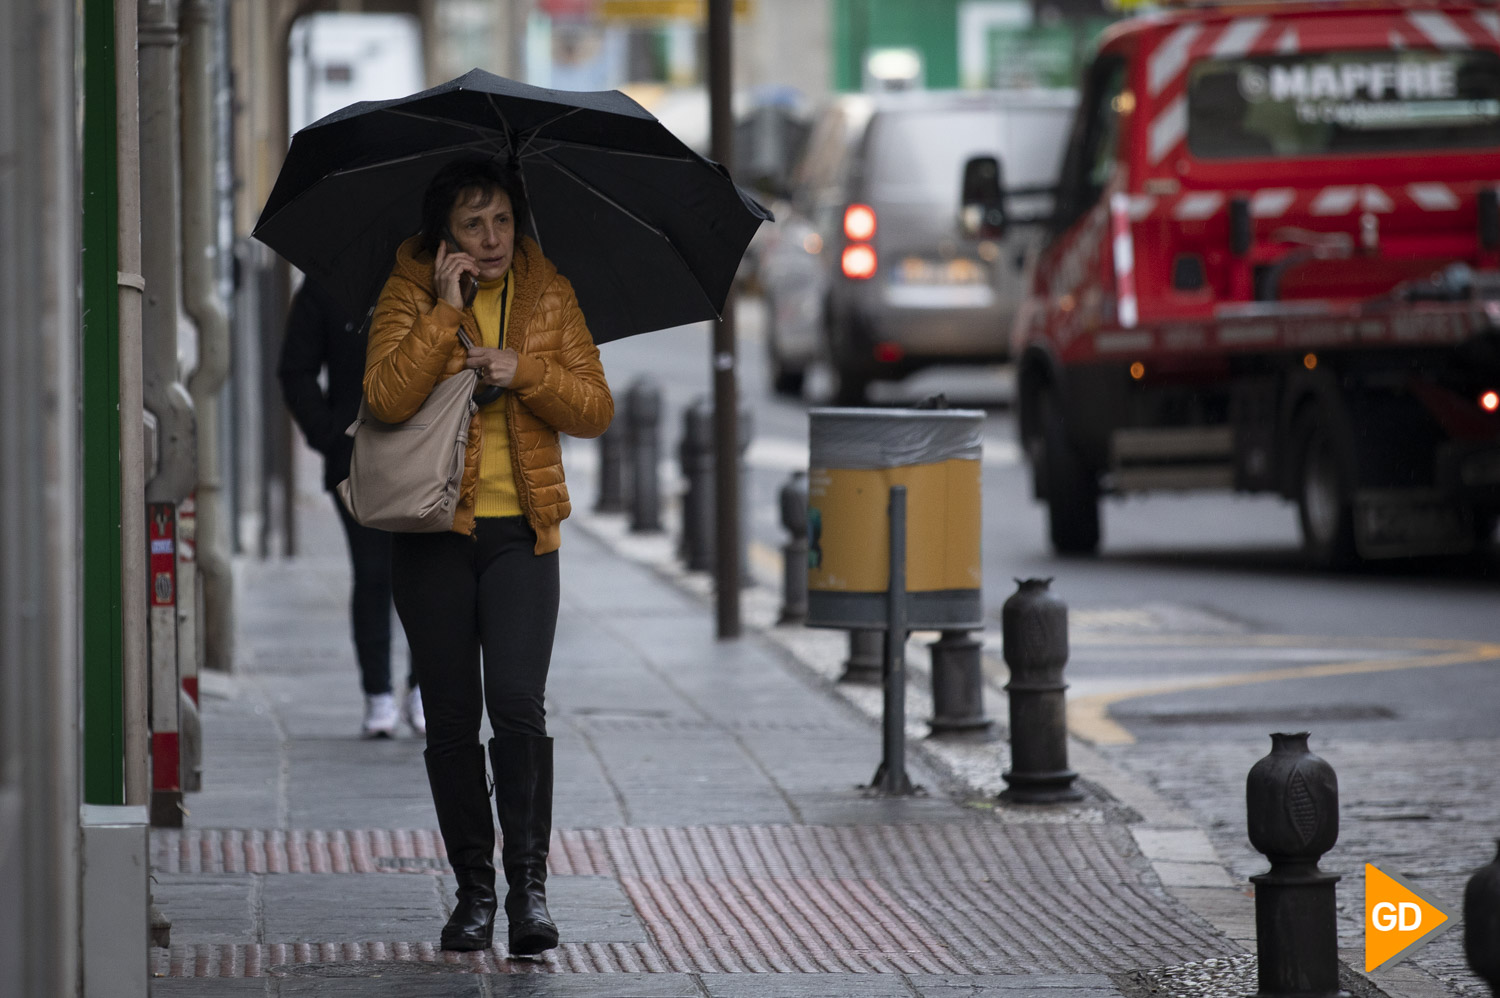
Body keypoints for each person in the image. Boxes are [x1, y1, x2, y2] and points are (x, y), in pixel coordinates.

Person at [363, 157, 613, 956]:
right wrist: (443, 314)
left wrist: (524, 370)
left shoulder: (550, 294)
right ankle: (473, 892)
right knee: (450, 717)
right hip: (435, 536)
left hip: (523, 535)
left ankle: (528, 891)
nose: (492, 237)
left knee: (516, 702)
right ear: (445, 234)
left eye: (502, 219)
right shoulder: (407, 293)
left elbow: (595, 407)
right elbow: (385, 397)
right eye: (473, 223)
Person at [277, 278, 424, 739]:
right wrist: (331, 436)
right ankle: (378, 694)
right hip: (356, 458)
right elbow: (295, 370)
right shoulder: (328, 286)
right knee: (373, 572)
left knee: (429, 577)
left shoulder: (433, 277)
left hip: (428, 455)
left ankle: (423, 689)